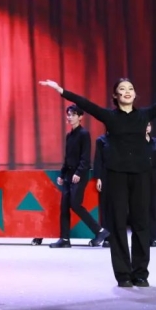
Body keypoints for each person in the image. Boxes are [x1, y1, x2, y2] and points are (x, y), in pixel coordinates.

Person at [39, 74, 156, 287]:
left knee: (141, 223)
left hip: (141, 175)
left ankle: (140, 273)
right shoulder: (109, 116)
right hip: (116, 175)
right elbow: (85, 103)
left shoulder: (143, 115)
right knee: (117, 224)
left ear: (134, 94)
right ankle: (123, 274)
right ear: (116, 95)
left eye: (130, 88)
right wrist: (60, 90)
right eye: (122, 89)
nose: (127, 91)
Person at [49, 105, 109, 248]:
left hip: (79, 175)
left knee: (75, 204)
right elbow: (67, 158)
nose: (69, 117)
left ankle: (100, 231)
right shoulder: (69, 136)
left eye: (73, 114)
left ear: (80, 117)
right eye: (68, 114)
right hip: (68, 175)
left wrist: (78, 173)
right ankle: (64, 239)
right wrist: (62, 174)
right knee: (64, 206)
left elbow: (85, 158)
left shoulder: (84, 134)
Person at [93, 132, 111, 248]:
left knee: (118, 208)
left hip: (119, 176)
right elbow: (98, 160)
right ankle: (107, 237)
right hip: (105, 176)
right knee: (105, 207)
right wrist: (98, 178)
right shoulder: (101, 140)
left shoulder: (122, 138)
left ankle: (117, 237)